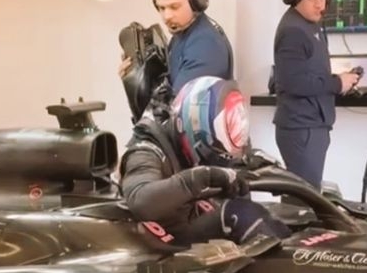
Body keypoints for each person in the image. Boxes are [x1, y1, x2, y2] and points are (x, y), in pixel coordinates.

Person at [120, 76, 290, 245]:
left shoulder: (190, 138)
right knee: (240, 214)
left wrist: (251, 163)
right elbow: (141, 202)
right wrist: (205, 176)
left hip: (194, 216)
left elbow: (222, 163)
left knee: (273, 217)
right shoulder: (145, 151)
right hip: (164, 240)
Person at [272, 0, 360, 190]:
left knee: (308, 194)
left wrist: (341, 81)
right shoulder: (293, 31)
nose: (319, 4)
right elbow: (293, 82)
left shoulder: (311, 26)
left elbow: (309, 72)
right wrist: (337, 83)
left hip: (312, 126)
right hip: (301, 129)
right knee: (304, 199)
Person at [119, 0, 234, 98]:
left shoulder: (206, 45)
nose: (167, 16)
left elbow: (176, 107)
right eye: (162, 8)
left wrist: (139, 90)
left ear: (196, 2)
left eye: (174, 7)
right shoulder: (182, 35)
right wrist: (135, 78)